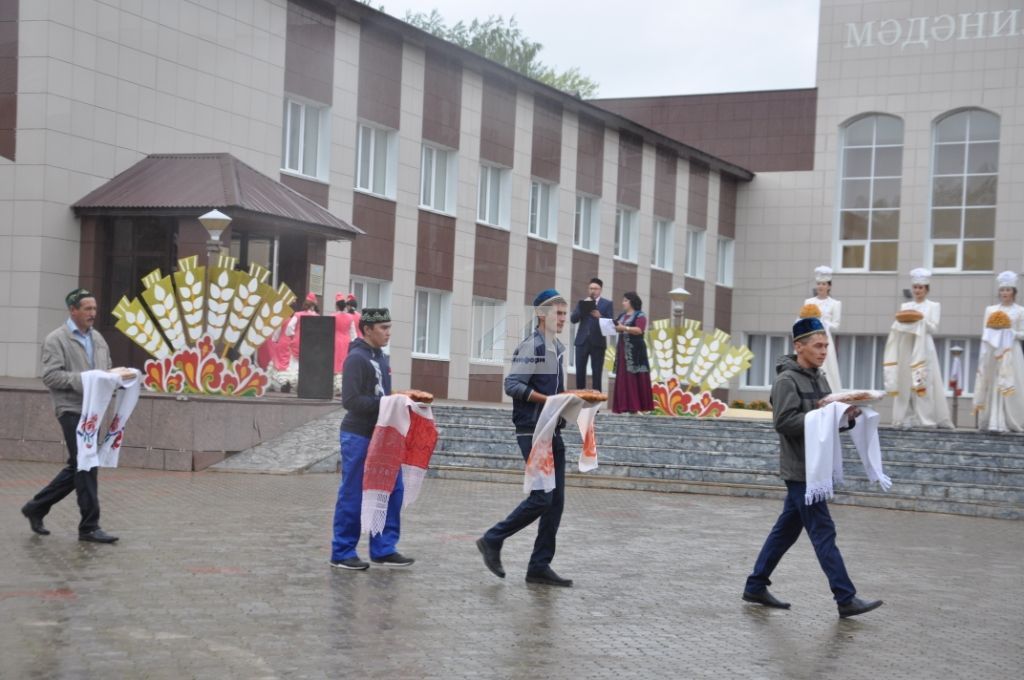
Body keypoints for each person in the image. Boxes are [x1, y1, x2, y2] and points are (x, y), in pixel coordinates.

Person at [742, 317, 883, 618]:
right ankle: (845, 598)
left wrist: (849, 416)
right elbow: (783, 423)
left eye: (826, 346)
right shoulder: (786, 381)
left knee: (786, 531)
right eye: (818, 346)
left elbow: (827, 423)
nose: (823, 352)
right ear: (799, 346)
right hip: (802, 470)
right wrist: (821, 416)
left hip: (815, 466)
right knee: (823, 531)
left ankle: (755, 586)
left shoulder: (820, 378)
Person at [476, 288, 574, 587]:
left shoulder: (554, 348)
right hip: (532, 431)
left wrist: (566, 405)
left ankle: (539, 566)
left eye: (564, 314)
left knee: (555, 501)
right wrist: (549, 401)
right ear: (541, 315)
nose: (562, 319)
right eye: (558, 313)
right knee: (542, 498)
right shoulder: (533, 347)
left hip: (549, 430)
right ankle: (492, 539)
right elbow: (512, 385)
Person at [20, 289, 130, 543]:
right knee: (86, 464)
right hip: (70, 409)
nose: (93, 313)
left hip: (94, 410)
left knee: (79, 465)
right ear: (73, 310)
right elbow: (50, 376)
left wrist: (119, 378)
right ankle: (89, 527)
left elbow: (106, 369)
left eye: (94, 308)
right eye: (87, 309)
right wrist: (86, 381)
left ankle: (35, 507)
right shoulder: (56, 339)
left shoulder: (99, 338)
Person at [330, 308, 414, 570]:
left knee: (393, 491)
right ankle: (342, 553)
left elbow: (380, 398)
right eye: (383, 328)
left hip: (383, 436)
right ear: (367, 330)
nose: (388, 333)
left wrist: (400, 402)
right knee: (353, 493)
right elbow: (351, 401)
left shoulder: (381, 357)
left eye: (389, 328)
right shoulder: (356, 359)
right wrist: (389, 402)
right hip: (358, 435)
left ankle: (383, 549)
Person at [883, 268, 954, 428]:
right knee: (905, 380)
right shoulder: (906, 305)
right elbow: (900, 325)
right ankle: (905, 416)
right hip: (907, 345)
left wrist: (920, 320)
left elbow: (933, 328)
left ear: (926, 289)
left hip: (923, 346)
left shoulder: (933, 306)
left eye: (921, 287)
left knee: (923, 380)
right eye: (915, 287)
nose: (917, 290)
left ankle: (925, 418)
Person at [974, 271, 1024, 433]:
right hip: (994, 351)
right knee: (994, 382)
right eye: (1002, 290)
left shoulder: (1020, 311)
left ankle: (1011, 419)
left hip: (1011, 350)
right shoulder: (991, 310)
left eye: (1008, 290)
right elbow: (985, 331)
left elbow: (1023, 332)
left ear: (1014, 292)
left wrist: (1012, 333)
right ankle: (993, 420)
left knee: (1011, 382)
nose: (1004, 293)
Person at [612, 291, 653, 414]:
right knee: (623, 377)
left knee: (635, 377)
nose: (623, 303)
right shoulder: (622, 316)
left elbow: (639, 330)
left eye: (625, 300)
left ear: (632, 301)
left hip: (636, 351)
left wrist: (624, 328)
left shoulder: (640, 315)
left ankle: (637, 407)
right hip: (622, 350)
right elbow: (617, 327)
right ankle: (624, 406)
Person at [570, 277, 613, 392]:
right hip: (582, 342)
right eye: (590, 288)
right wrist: (582, 306)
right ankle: (580, 402)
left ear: (600, 290)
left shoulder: (607, 304)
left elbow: (611, 324)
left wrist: (600, 316)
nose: (593, 291)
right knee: (580, 372)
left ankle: (596, 406)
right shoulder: (582, 302)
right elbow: (573, 319)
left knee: (597, 374)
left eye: (595, 288)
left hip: (598, 343)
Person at [803, 265, 842, 391]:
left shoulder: (835, 304)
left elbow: (836, 325)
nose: (820, 286)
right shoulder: (808, 302)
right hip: (809, 338)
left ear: (829, 286)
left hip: (825, 339)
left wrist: (824, 322)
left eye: (824, 284)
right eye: (819, 283)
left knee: (826, 367)